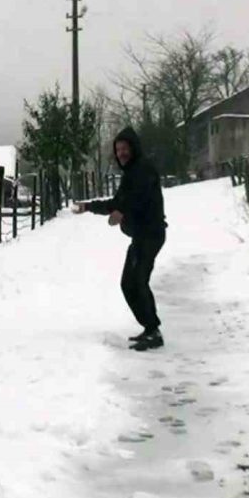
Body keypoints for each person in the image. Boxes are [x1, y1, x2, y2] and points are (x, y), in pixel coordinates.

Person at [72, 126, 167, 351]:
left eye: (125, 148)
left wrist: (123, 212)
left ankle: (153, 331)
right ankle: (150, 328)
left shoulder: (143, 170)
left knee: (137, 282)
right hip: (141, 237)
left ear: (133, 148)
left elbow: (139, 198)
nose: (121, 153)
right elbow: (118, 202)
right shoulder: (131, 173)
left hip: (150, 235)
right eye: (118, 149)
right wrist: (89, 207)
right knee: (129, 284)